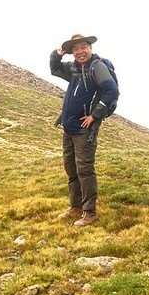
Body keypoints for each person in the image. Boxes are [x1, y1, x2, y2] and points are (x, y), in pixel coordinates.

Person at [50, 34, 119, 226]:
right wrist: (58, 53)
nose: (80, 52)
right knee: (71, 168)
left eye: (83, 47)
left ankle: (90, 213)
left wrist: (95, 115)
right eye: (75, 49)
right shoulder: (74, 69)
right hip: (69, 126)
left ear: (90, 48)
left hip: (84, 130)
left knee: (84, 170)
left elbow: (112, 91)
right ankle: (76, 207)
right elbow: (54, 68)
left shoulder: (97, 67)